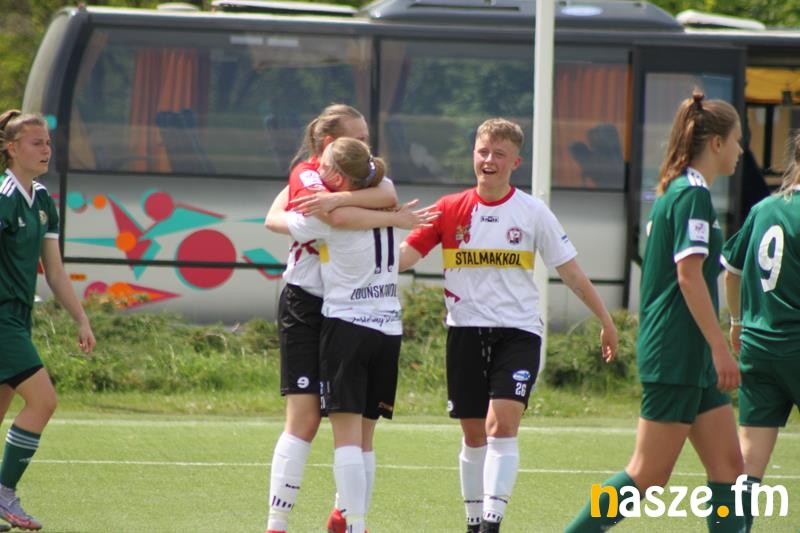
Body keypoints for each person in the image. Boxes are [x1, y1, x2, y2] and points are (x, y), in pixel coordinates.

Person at [398, 118, 618, 533]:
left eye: (499, 154)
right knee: (473, 436)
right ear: (473, 155)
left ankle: (492, 524)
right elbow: (405, 258)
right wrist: (362, 252)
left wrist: (605, 320)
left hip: (518, 333)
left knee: (501, 425)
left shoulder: (533, 212)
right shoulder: (448, 208)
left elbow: (571, 272)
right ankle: (473, 523)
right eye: (483, 151)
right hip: (464, 331)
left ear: (515, 162)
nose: (489, 160)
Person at [565, 92, 744, 532]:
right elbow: (689, 277)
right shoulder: (691, 194)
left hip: (691, 355)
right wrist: (720, 347)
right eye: (738, 140)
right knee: (647, 474)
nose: (741, 150)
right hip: (676, 353)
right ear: (717, 143)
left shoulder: (683, 191)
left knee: (730, 471)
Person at [282, 137, 434, 533]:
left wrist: (307, 200)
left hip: (348, 327)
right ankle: (355, 524)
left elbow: (278, 221)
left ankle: (356, 526)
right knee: (365, 441)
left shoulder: (326, 216)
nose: (319, 171)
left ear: (337, 177)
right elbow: (384, 199)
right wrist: (396, 219)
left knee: (347, 440)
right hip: (388, 329)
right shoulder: (389, 206)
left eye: (325, 167)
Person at [262, 103, 402, 533]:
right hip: (308, 303)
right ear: (328, 144)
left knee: (359, 430)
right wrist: (393, 216)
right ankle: (277, 522)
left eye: (367, 139)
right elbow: (334, 218)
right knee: (304, 420)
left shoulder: (367, 174)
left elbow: (387, 193)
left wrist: (348, 197)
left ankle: (346, 516)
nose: (367, 148)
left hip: (352, 313)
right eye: (357, 139)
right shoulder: (309, 174)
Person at [0, 110, 96, 531]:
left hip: (19, 317)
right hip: (1, 319)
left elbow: (54, 272)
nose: (46, 150)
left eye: (48, 143)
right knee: (44, 401)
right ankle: (4, 492)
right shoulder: (3, 197)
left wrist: (81, 318)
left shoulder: (42, 201)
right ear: (12, 148)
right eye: (36, 143)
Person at [722, 132, 800, 532]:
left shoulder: (764, 208)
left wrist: (737, 323)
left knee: (749, 459)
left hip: (757, 345)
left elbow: (731, 273)